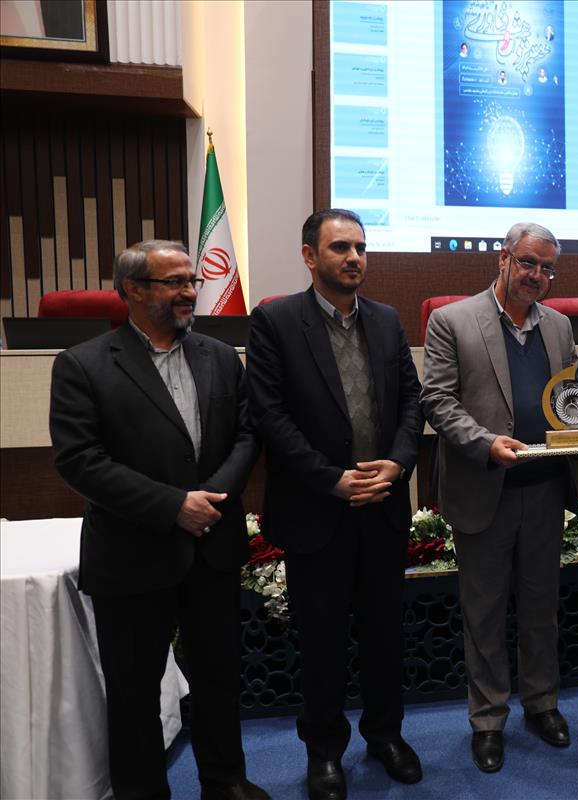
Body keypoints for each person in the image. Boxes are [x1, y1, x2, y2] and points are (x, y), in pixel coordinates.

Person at [49, 240, 267, 800]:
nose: (190, 291)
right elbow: (80, 461)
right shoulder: (82, 364)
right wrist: (174, 506)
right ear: (133, 290)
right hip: (132, 552)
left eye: (192, 280)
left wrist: (210, 499)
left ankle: (225, 780)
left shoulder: (221, 356)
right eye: (175, 282)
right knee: (134, 690)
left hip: (212, 546)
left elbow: (247, 436)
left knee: (219, 676)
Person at [245, 209, 424, 800]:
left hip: (382, 507)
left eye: (361, 248)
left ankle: (385, 736)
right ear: (309, 256)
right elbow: (269, 415)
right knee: (321, 642)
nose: (354, 258)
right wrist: (332, 480)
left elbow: (412, 402)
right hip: (317, 512)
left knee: (384, 636)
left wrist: (398, 463)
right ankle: (324, 752)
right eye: (341, 247)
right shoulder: (275, 321)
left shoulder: (386, 320)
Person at [420, 222, 578, 773]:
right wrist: (486, 444)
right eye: (529, 262)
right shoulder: (452, 320)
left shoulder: (558, 325)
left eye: (547, 268)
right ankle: (488, 719)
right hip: (483, 491)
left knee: (541, 609)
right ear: (503, 258)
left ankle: (542, 703)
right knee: (484, 614)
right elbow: (438, 401)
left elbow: (570, 397)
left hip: (544, 491)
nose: (537, 275)